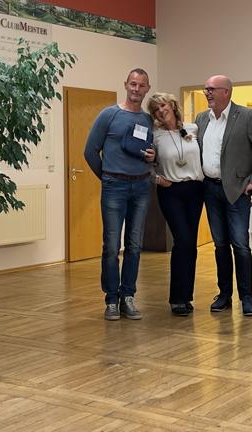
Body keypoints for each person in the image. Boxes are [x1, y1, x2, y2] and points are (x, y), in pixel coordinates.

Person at [195, 75, 252, 316]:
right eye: (205, 89)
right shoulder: (201, 119)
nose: (207, 93)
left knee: (240, 245)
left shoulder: (247, 116)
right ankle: (224, 295)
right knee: (220, 245)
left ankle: (247, 297)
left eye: (212, 89)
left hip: (237, 191)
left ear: (227, 92)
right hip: (210, 190)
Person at [84, 68, 155, 320]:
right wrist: (107, 177)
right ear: (126, 85)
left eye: (141, 85)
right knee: (112, 246)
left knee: (134, 246)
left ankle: (128, 297)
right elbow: (90, 151)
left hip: (142, 188)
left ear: (147, 89)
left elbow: (151, 152)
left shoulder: (148, 120)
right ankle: (111, 299)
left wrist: (152, 157)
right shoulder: (109, 115)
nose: (136, 89)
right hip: (114, 186)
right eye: (133, 84)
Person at [146, 93, 205, 317]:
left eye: (163, 105)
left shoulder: (193, 129)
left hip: (195, 190)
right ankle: (177, 299)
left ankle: (186, 296)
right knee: (183, 240)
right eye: (156, 109)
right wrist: (156, 178)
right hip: (171, 192)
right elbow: (143, 161)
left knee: (191, 244)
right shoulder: (155, 136)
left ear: (171, 105)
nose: (161, 111)